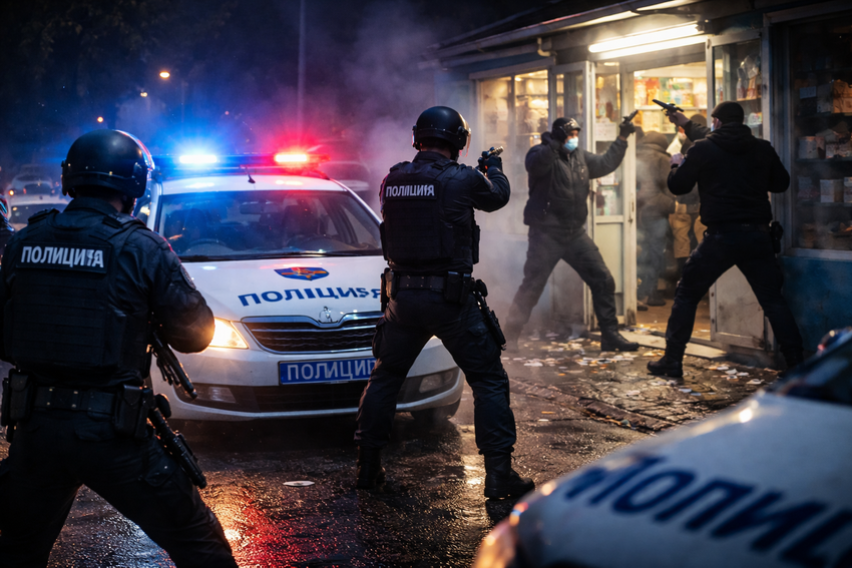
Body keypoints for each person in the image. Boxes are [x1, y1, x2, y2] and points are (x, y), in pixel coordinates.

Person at [0, 130, 238, 567]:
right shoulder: (141, 246)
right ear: (135, 183)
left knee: (18, 552)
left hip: (36, 430)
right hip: (112, 432)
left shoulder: (23, 242)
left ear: (70, 178)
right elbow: (196, 334)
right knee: (200, 544)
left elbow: (4, 336)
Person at [355, 106, 534, 500]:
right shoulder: (462, 178)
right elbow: (497, 197)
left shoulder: (392, 178)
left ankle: (368, 467)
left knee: (385, 377)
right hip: (449, 299)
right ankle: (499, 477)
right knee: (488, 379)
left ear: (417, 137)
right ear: (459, 141)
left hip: (402, 299)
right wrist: (494, 168)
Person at [648, 102, 804, 378]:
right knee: (773, 301)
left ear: (717, 122)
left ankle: (672, 361)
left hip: (720, 238)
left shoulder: (702, 149)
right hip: (757, 236)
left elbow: (678, 186)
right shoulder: (762, 148)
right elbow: (781, 183)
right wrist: (685, 123)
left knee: (687, 294)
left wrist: (675, 165)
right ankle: (797, 366)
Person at [503, 117, 638, 351]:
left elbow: (606, 163)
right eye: (570, 135)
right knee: (532, 285)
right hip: (546, 234)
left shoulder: (580, 157)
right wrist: (554, 144)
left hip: (574, 233)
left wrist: (622, 138)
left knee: (603, 279)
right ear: (559, 136)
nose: (574, 139)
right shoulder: (540, 153)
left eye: (577, 134)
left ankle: (610, 335)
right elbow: (536, 166)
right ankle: (509, 335)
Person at [636, 131, 676, 309]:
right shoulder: (662, 159)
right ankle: (651, 293)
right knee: (656, 253)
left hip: (637, 212)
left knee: (641, 253)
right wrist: (669, 204)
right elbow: (670, 185)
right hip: (656, 213)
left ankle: (638, 292)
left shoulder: (635, 155)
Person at [668, 114, 708, 278]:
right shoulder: (709, 145)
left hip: (683, 202)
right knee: (703, 242)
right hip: (701, 202)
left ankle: (684, 277)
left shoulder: (685, 147)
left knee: (682, 242)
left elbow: (681, 177)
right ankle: (703, 281)